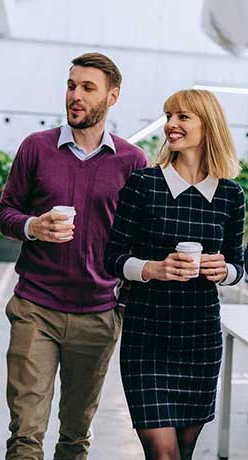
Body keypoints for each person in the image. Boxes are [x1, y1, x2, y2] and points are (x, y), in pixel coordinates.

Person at [0, 52, 148, 460]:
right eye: (70, 85)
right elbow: (4, 212)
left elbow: (139, 239)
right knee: (25, 434)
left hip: (98, 316)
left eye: (87, 88)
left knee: (75, 437)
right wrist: (33, 226)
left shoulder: (132, 162)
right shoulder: (36, 148)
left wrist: (124, 306)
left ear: (112, 97)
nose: (75, 96)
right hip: (35, 309)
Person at [105, 89, 245, 460]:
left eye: (183, 117)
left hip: (199, 338)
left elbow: (238, 266)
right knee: (163, 453)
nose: (170, 124)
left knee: (183, 452)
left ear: (207, 124)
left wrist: (224, 269)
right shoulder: (143, 185)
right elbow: (113, 257)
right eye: (169, 115)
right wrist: (154, 268)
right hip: (147, 336)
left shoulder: (231, 195)